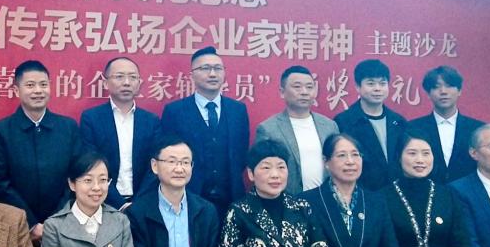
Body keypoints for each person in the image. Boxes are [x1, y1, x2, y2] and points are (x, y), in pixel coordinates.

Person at [0, 60, 82, 241]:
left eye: (43, 84)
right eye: (30, 85)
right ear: (16, 90)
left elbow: (76, 177)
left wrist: (55, 221)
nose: (38, 90)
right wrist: (29, 223)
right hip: (15, 227)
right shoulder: (0, 131)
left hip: (63, 227)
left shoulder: (68, 127)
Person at [161, 46, 250, 218]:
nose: (212, 74)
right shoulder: (175, 111)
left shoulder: (238, 110)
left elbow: (241, 154)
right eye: (205, 68)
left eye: (218, 68)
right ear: (192, 75)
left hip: (231, 199)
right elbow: (167, 155)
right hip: (189, 197)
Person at [80, 57, 160, 210]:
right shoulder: (92, 118)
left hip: (143, 203)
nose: (127, 82)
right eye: (119, 76)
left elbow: (155, 165)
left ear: (139, 83)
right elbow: (91, 163)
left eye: (133, 77)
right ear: (105, 83)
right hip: (102, 201)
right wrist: (121, 204)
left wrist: (138, 205)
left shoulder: (151, 121)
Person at [255, 65, 339, 194]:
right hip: (286, 200)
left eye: (309, 87)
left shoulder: (329, 126)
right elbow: (262, 171)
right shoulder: (268, 129)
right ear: (282, 92)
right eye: (297, 87)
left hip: (325, 199)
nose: (304, 92)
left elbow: (337, 163)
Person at [334, 59, 406, 191]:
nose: (377, 88)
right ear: (358, 86)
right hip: (360, 192)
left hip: (397, 193)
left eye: (382, 83)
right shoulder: (343, 122)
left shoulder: (399, 121)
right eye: (371, 83)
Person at [408, 65, 483, 184]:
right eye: (436, 87)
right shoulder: (413, 128)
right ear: (428, 93)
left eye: (449, 86)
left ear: (459, 91)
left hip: (467, 192)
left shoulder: (478, 129)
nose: (443, 91)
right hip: (426, 190)